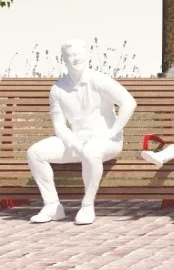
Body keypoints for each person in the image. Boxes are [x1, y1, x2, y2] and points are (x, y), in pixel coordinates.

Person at [25, 39, 137, 225]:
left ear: (87, 56)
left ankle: (87, 205)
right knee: (35, 152)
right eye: (71, 55)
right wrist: (74, 143)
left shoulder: (99, 80)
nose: (76, 58)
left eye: (79, 54)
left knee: (91, 151)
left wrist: (113, 132)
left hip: (106, 141)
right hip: (76, 140)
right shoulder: (58, 89)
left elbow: (129, 102)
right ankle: (52, 205)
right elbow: (59, 126)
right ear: (64, 59)